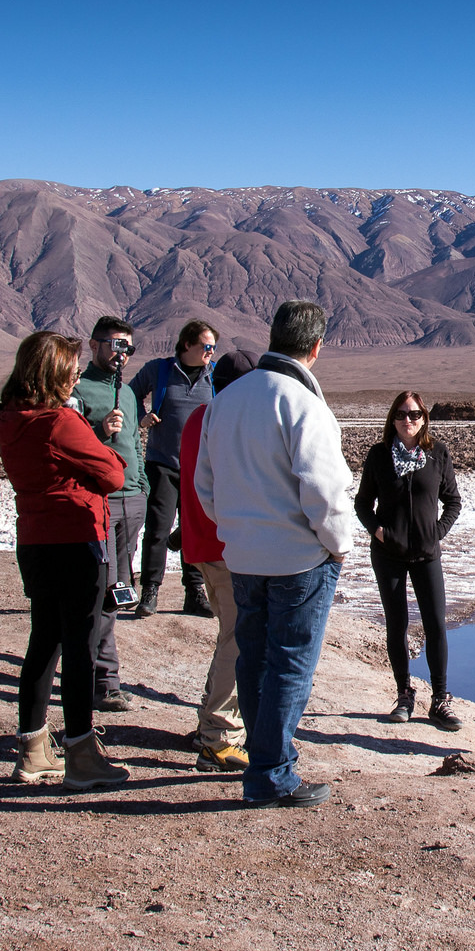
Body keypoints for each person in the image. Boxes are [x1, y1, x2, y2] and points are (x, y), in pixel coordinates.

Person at [195, 299, 359, 808]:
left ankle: (263, 762)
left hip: (243, 558)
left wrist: (237, 530)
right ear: (315, 347)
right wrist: (338, 547)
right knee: (290, 663)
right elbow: (325, 492)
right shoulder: (304, 404)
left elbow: (206, 485)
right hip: (298, 560)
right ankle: (271, 773)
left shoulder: (227, 400)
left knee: (253, 659)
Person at [0, 331, 131, 789]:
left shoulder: (9, 418)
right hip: (75, 540)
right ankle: (80, 754)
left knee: (43, 642)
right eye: (70, 368)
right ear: (53, 371)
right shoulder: (58, 422)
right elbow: (112, 473)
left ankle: (32, 749)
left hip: (34, 540)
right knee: (79, 648)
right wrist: (94, 442)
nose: (75, 375)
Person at [354, 390, 463, 729]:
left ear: (424, 418)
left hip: (426, 554)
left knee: (435, 625)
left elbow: (453, 502)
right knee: (397, 625)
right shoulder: (379, 456)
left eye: (415, 414)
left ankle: (440, 700)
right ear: (392, 419)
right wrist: (379, 532)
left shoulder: (437, 454)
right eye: (401, 414)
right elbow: (362, 505)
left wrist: (436, 533)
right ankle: (404, 694)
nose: (408, 420)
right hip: (388, 555)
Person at [174, 348, 255, 773]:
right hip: (227, 549)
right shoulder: (230, 422)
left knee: (230, 634)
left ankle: (209, 723)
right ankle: (218, 736)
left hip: (203, 546)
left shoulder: (197, 419)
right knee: (237, 640)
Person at [73, 315, 147, 711]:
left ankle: (102, 676)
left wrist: (144, 488)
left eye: (128, 348)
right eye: (116, 345)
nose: (122, 355)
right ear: (94, 345)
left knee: (117, 592)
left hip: (131, 499)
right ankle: (104, 681)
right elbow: (69, 442)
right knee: (99, 591)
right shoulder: (78, 390)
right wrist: (99, 430)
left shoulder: (130, 394)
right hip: (99, 500)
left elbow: (134, 440)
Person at [130, 319, 218, 618]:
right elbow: (131, 394)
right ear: (186, 345)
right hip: (163, 463)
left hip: (200, 467)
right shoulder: (160, 370)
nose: (210, 352)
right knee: (157, 529)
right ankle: (150, 591)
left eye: (213, 348)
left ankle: (194, 593)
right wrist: (142, 417)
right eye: (206, 346)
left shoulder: (214, 376)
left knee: (192, 530)